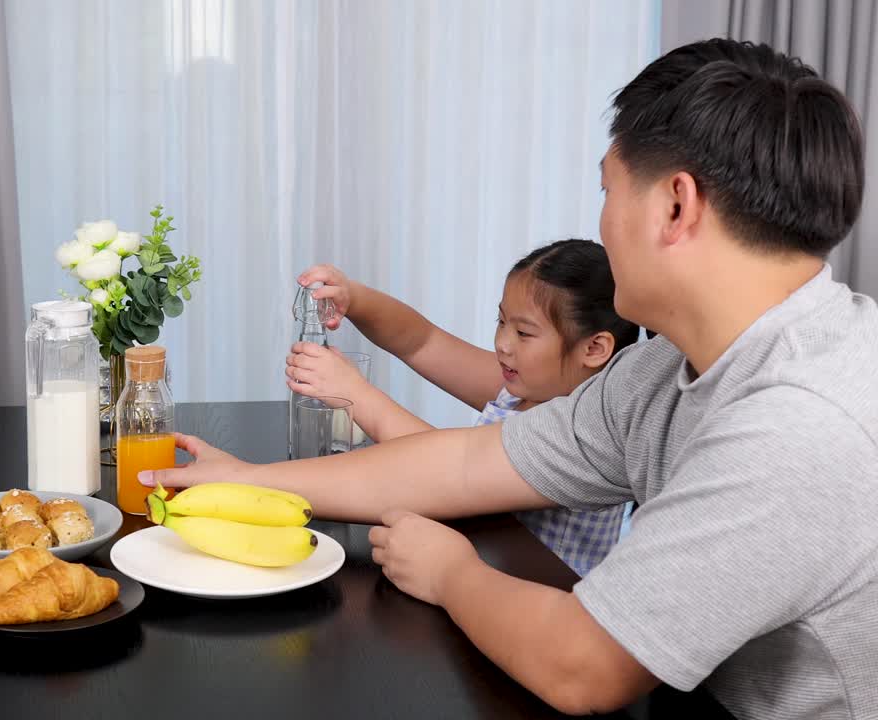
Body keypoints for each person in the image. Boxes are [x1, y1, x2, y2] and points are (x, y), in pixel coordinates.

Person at [143, 39, 877, 719]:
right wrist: (247, 480)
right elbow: (470, 462)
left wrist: (453, 573)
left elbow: (584, 668)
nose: (603, 218)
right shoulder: (666, 362)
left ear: (676, 205)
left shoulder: (799, 423)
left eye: (609, 190)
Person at [287, 239, 639, 575]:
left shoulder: (579, 436)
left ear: (593, 349)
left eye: (524, 334)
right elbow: (421, 341)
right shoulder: (524, 388)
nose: (503, 343)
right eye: (501, 322)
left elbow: (443, 474)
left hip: (533, 602)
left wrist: (354, 392)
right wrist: (356, 298)